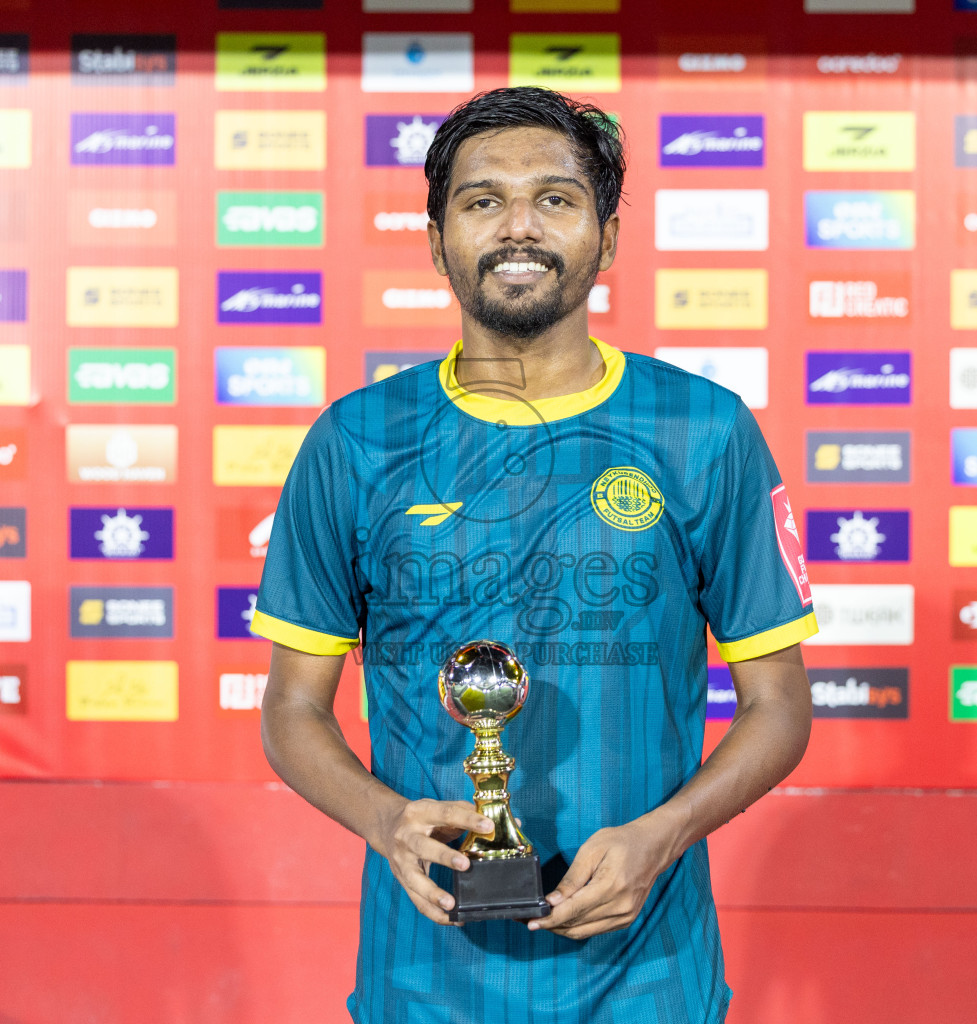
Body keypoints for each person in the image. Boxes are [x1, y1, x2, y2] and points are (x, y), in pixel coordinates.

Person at [254, 86, 816, 1024]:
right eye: (482, 201)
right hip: (422, 983)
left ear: (607, 236)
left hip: (649, 980)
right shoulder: (356, 443)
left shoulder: (703, 432)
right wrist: (383, 820)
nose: (520, 227)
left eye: (555, 198)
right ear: (437, 242)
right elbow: (290, 708)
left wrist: (664, 834)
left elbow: (781, 704)